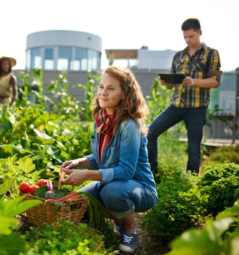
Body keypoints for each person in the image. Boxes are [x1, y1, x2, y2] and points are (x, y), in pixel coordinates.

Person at [60, 66, 158, 252]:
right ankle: (118, 219)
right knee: (83, 200)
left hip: (140, 188)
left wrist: (87, 175)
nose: (103, 93)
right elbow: (100, 158)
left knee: (111, 192)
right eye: (101, 86)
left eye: (111, 88)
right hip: (113, 183)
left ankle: (129, 227)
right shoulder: (102, 120)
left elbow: (126, 171)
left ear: (124, 93)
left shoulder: (129, 125)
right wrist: (79, 163)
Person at [147, 18, 222, 175]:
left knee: (193, 148)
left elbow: (215, 82)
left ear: (199, 33)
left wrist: (193, 81)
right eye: (185, 37)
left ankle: (191, 181)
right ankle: (152, 174)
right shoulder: (178, 56)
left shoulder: (211, 54)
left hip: (197, 108)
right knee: (149, 133)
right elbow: (171, 85)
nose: (188, 40)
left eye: (191, 36)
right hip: (176, 106)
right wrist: (166, 82)